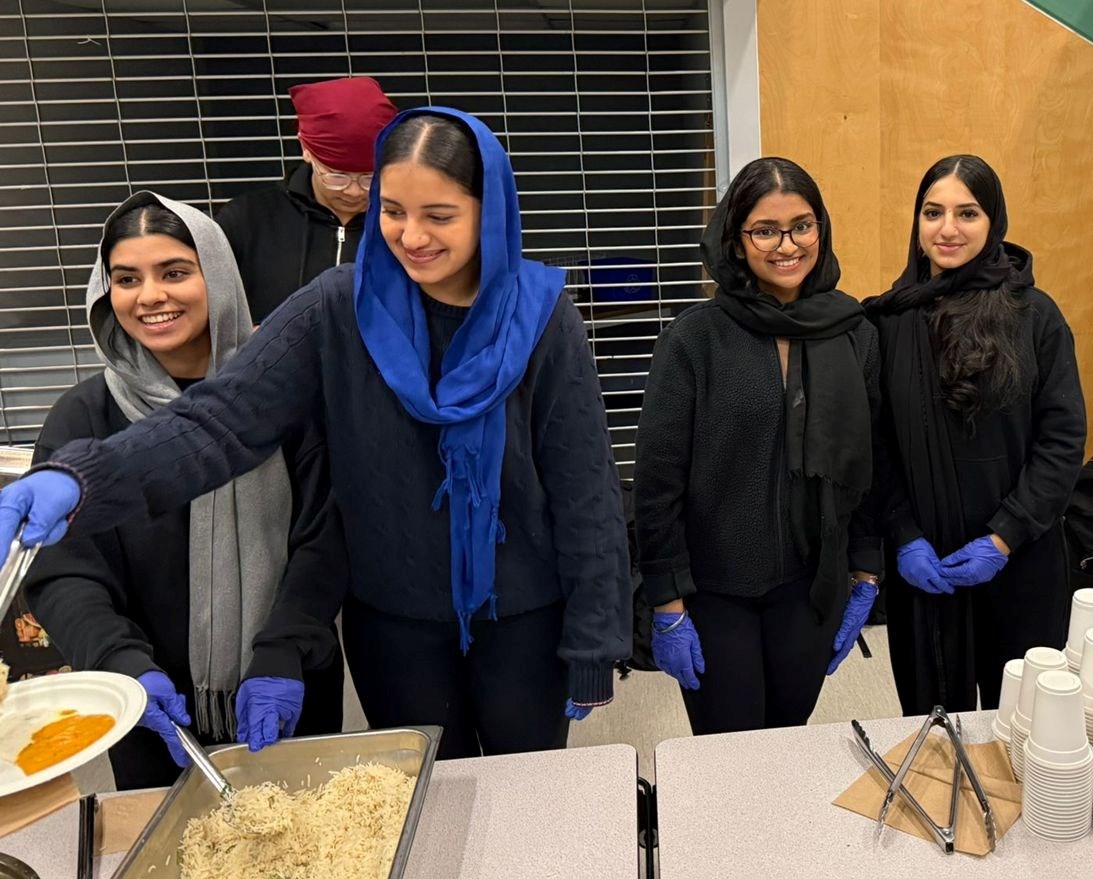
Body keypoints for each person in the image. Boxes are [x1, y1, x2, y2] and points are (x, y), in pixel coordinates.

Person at [0, 108, 632, 761]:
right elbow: (219, 418)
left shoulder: (541, 314)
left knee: (527, 787)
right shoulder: (336, 306)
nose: (410, 236)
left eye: (438, 215)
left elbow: (584, 485)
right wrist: (80, 477)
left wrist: (595, 637)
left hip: (526, 617)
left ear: (488, 209)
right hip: (395, 625)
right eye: (393, 211)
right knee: (428, 791)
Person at [24, 193, 346, 789]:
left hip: (285, 681)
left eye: (174, 272)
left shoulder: (288, 398)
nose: (151, 296)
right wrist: (117, 662)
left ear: (218, 277)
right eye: (127, 279)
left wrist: (284, 648)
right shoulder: (83, 419)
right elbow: (64, 571)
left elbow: (325, 537)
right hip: (151, 707)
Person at [635, 158, 881, 735]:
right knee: (730, 752)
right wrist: (667, 603)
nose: (787, 245)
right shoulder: (695, 339)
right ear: (735, 239)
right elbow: (657, 481)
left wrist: (865, 573)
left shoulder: (855, 333)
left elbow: (872, 465)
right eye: (765, 230)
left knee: (788, 739)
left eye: (802, 225)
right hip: (715, 591)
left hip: (810, 585)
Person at [866, 155, 1087, 715]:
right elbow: (876, 444)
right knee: (935, 728)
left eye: (967, 213)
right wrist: (903, 534)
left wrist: (1004, 537)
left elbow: (1061, 440)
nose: (948, 228)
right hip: (926, 564)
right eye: (932, 212)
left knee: (1027, 726)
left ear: (994, 223)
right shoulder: (886, 323)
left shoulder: (1034, 316)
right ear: (916, 225)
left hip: (1021, 556)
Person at [216, 76, 397, 323]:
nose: (354, 191)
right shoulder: (248, 220)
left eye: (369, 178)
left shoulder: (404, 222)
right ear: (306, 149)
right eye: (336, 176)